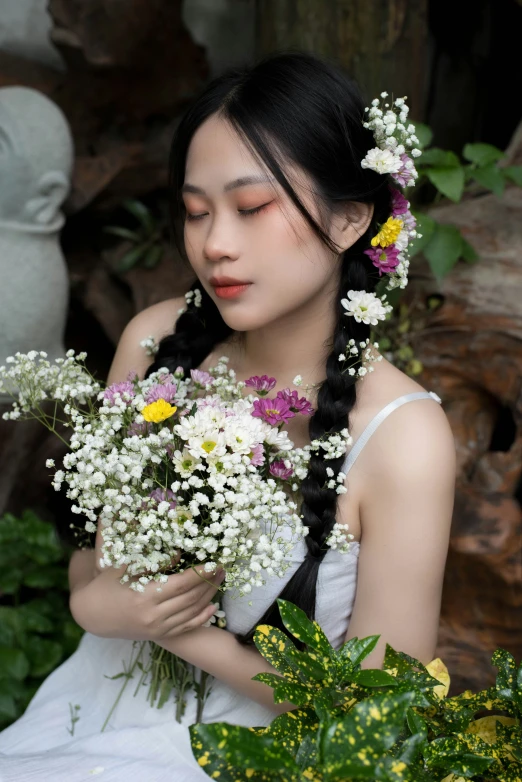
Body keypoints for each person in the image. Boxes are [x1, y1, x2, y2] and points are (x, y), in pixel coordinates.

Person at [0, 50, 456, 781]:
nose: (214, 244)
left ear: (349, 218)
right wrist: (100, 609)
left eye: (251, 208)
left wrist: (182, 634)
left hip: (261, 758)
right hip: (97, 705)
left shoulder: (402, 436)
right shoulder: (154, 345)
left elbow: (382, 713)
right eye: (195, 211)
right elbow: (94, 571)